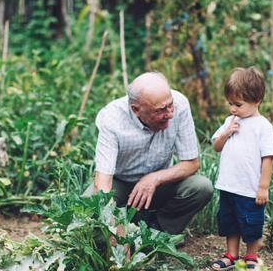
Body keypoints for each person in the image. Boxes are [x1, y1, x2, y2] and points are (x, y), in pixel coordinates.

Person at [83, 71, 213, 240]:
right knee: (88, 210)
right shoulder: (112, 119)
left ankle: (159, 231)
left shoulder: (180, 104)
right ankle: (125, 237)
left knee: (202, 187)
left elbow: (192, 163)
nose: (170, 114)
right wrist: (117, 235)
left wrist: (154, 179)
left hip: (160, 185)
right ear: (137, 110)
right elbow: (102, 185)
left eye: (170, 105)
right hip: (120, 182)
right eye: (160, 110)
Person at [211, 67, 273, 271]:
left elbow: (267, 158)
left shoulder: (263, 127)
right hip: (228, 185)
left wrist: (263, 188)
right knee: (229, 220)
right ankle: (231, 254)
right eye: (230, 103)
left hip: (250, 188)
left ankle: (251, 255)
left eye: (238, 104)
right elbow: (216, 146)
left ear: (257, 100)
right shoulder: (229, 122)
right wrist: (226, 133)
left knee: (251, 222)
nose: (233, 108)